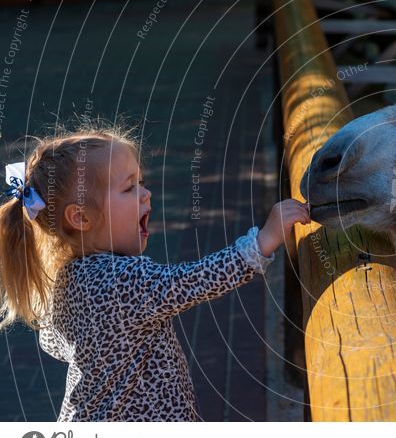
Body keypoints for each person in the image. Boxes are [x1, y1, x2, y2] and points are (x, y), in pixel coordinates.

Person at [0, 123, 310, 421]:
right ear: (81, 217)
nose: (146, 194)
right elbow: (196, 281)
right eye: (129, 188)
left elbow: (51, 342)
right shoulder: (120, 280)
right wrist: (263, 241)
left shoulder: (66, 280)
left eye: (142, 182)